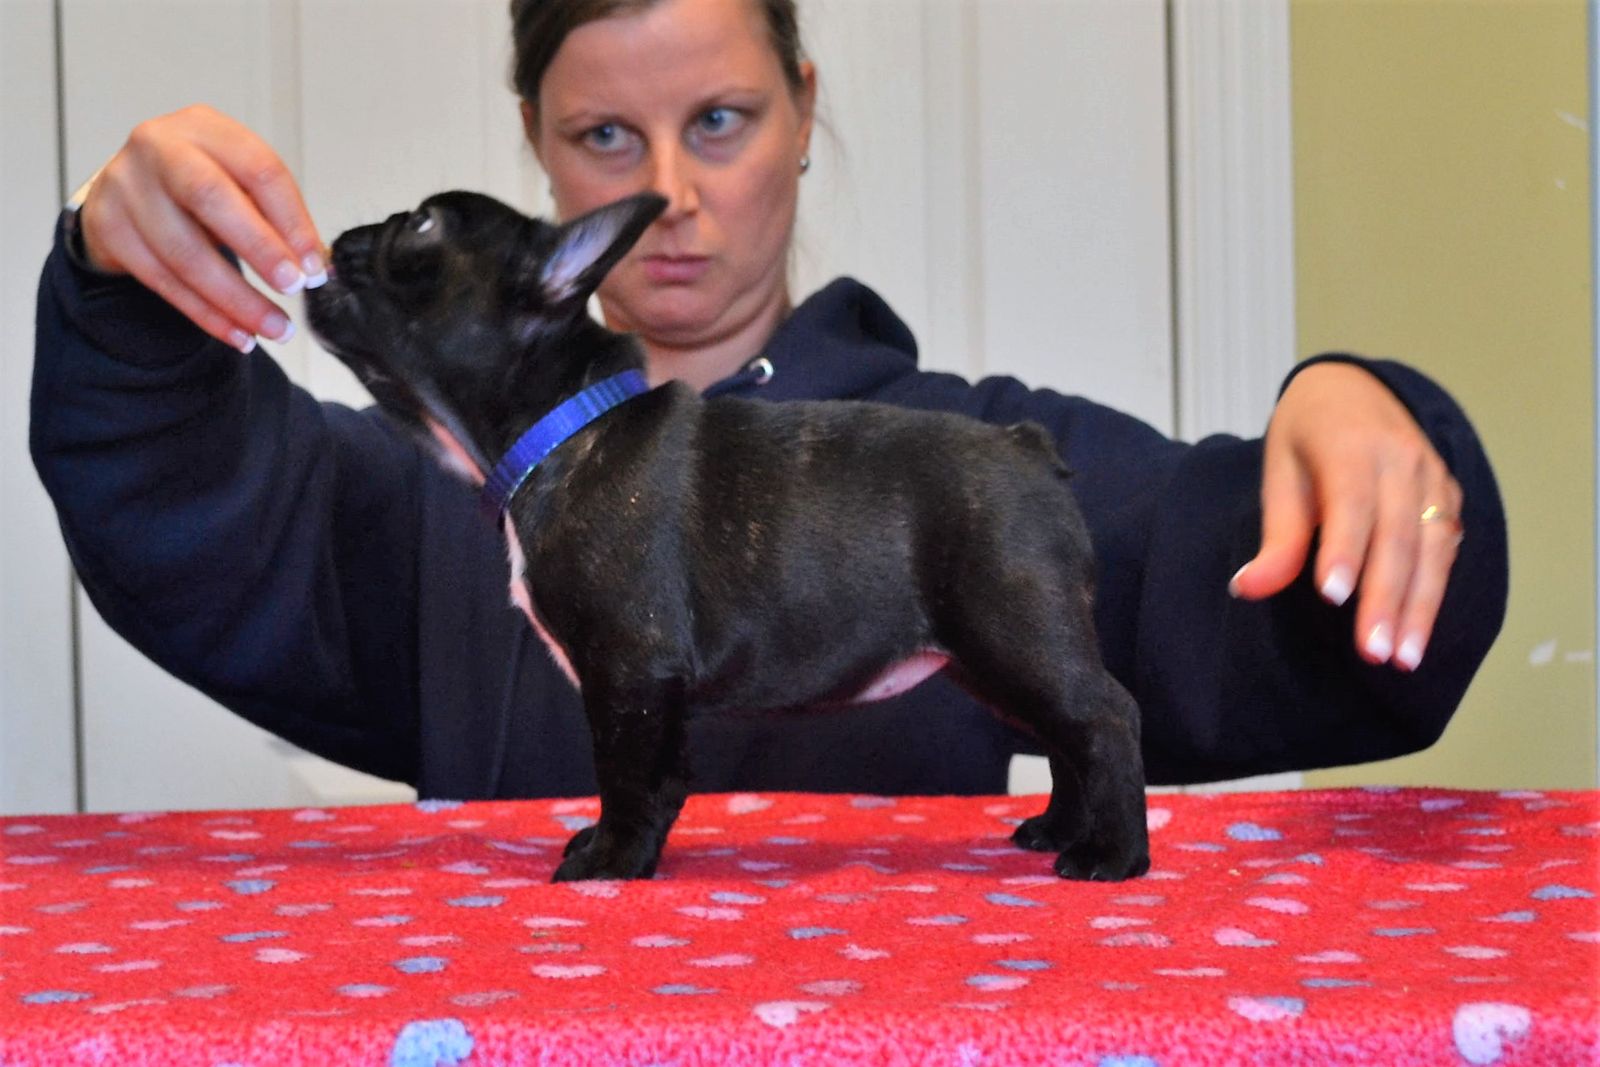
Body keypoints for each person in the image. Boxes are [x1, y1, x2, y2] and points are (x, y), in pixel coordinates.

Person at [31, 0, 1506, 800]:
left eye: (722, 119)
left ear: (803, 110)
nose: (671, 191)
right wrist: (117, 279)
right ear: (540, 149)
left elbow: (1300, 616)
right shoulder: (432, 507)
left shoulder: (952, 458)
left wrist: (1369, 413)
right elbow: (171, 504)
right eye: (607, 134)